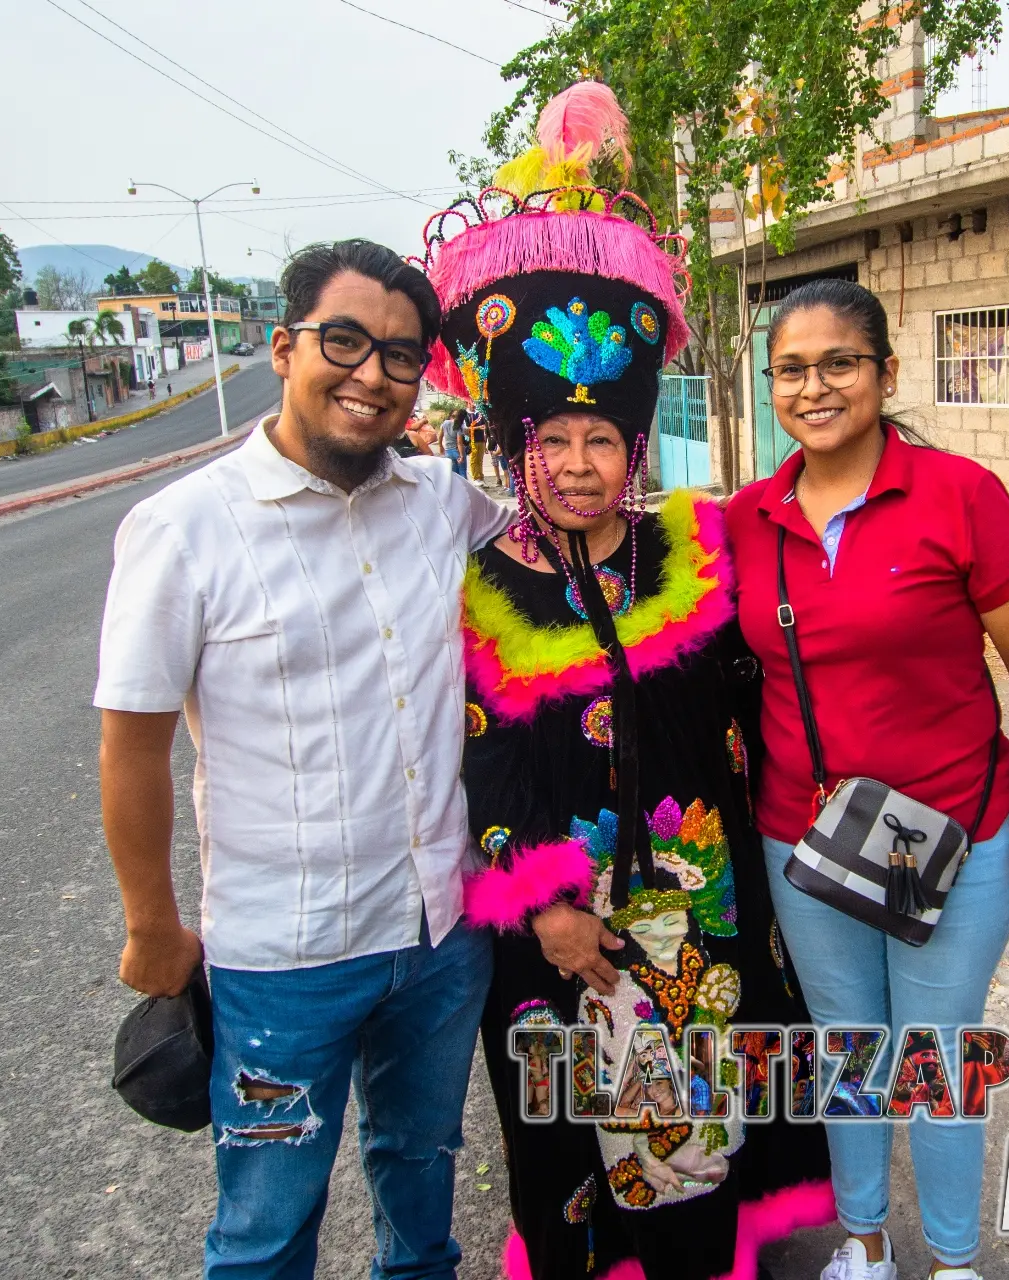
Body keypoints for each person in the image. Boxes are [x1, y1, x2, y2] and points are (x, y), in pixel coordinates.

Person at [417, 80, 833, 1280]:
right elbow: (480, 756)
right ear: (516, 446)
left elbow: (785, 665)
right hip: (561, 918)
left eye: (604, 438)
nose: (583, 462)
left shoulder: (693, 549)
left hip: (701, 904)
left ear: (634, 443)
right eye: (555, 440)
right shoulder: (484, 580)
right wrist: (544, 896)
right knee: (572, 1120)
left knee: (705, 1117)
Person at [95, 238, 510, 1280]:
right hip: (284, 960)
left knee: (421, 1178)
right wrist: (151, 925)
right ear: (282, 348)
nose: (371, 374)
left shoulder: (438, 501)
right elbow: (131, 744)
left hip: (436, 937)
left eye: (402, 355)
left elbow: (570, 527)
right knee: (268, 1224)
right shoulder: (184, 528)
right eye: (344, 341)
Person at [725, 278, 1009, 1280]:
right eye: (790, 368)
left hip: (954, 835)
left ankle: (954, 1261)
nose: (814, 385)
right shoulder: (743, 518)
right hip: (804, 834)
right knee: (846, 1043)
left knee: (933, 1048)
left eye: (838, 362)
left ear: (883, 370)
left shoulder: (958, 496)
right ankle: (864, 1244)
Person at [467, 411, 488, 483]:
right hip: (473, 441)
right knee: (473, 460)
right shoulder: (467, 415)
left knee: (480, 460)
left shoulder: (480, 414)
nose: (473, 404)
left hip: (481, 440)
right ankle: (475, 478)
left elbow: (485, 424)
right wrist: (478, 427)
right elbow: (466, 428)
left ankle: (481, 477)